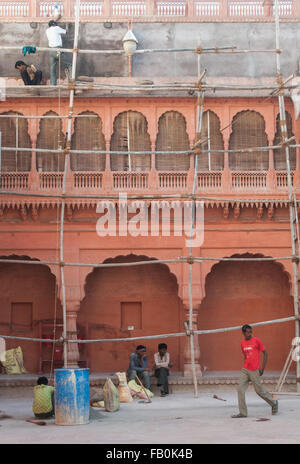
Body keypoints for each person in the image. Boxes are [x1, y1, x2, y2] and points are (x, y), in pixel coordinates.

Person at [231, 324, 278, 418]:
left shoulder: (256, 340)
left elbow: (265, 353)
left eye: (250, 332)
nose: (249, 334)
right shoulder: (242, 343)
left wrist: (262, 368)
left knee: (259, 391)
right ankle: (243, 413)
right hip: (245, 370)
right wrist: (246, 365)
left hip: (254, 370)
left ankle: (274, 403)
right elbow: (245, 355)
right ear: (243, 333)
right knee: (240, 389)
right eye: (247, 332)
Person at [46, 20, 72, 85]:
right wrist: (67, 25)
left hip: (51, 51)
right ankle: (72, 81)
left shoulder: (47, 30)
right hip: (57, 50)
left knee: (52, 69)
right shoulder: (56, 28)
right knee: (70, 64)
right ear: (55, 25)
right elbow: (66, 32)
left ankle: (53, 84)